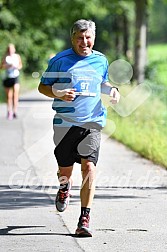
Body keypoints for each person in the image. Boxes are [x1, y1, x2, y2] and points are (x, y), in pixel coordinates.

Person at [38, 19, 120, 237]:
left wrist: (112, 91)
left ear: (93, 38)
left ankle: (84, 217)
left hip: (92, 122)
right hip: (65, 124)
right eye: (79, 38)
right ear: (72, 39)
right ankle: (64, 188)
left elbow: (102, 83)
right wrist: (58, 93)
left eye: (88, 38)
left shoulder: (101, 60)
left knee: (89, 168)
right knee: (65, 171)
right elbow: (42, 86)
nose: (84, 42)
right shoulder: (60, 61)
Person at [0, 43, 22, 120]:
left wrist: (17, 67)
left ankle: (15, 111)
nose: (11, 50)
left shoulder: (17, 56)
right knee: (9, 96)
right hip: (7, 77)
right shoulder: (6, 57)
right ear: (8, 50)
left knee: (15, 94)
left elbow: (20, 65)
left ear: (14, 49)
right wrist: (8, 66)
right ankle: (9, 111)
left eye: (12, 49)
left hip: (15, 77)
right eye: (9, 49)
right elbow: (1, 66)